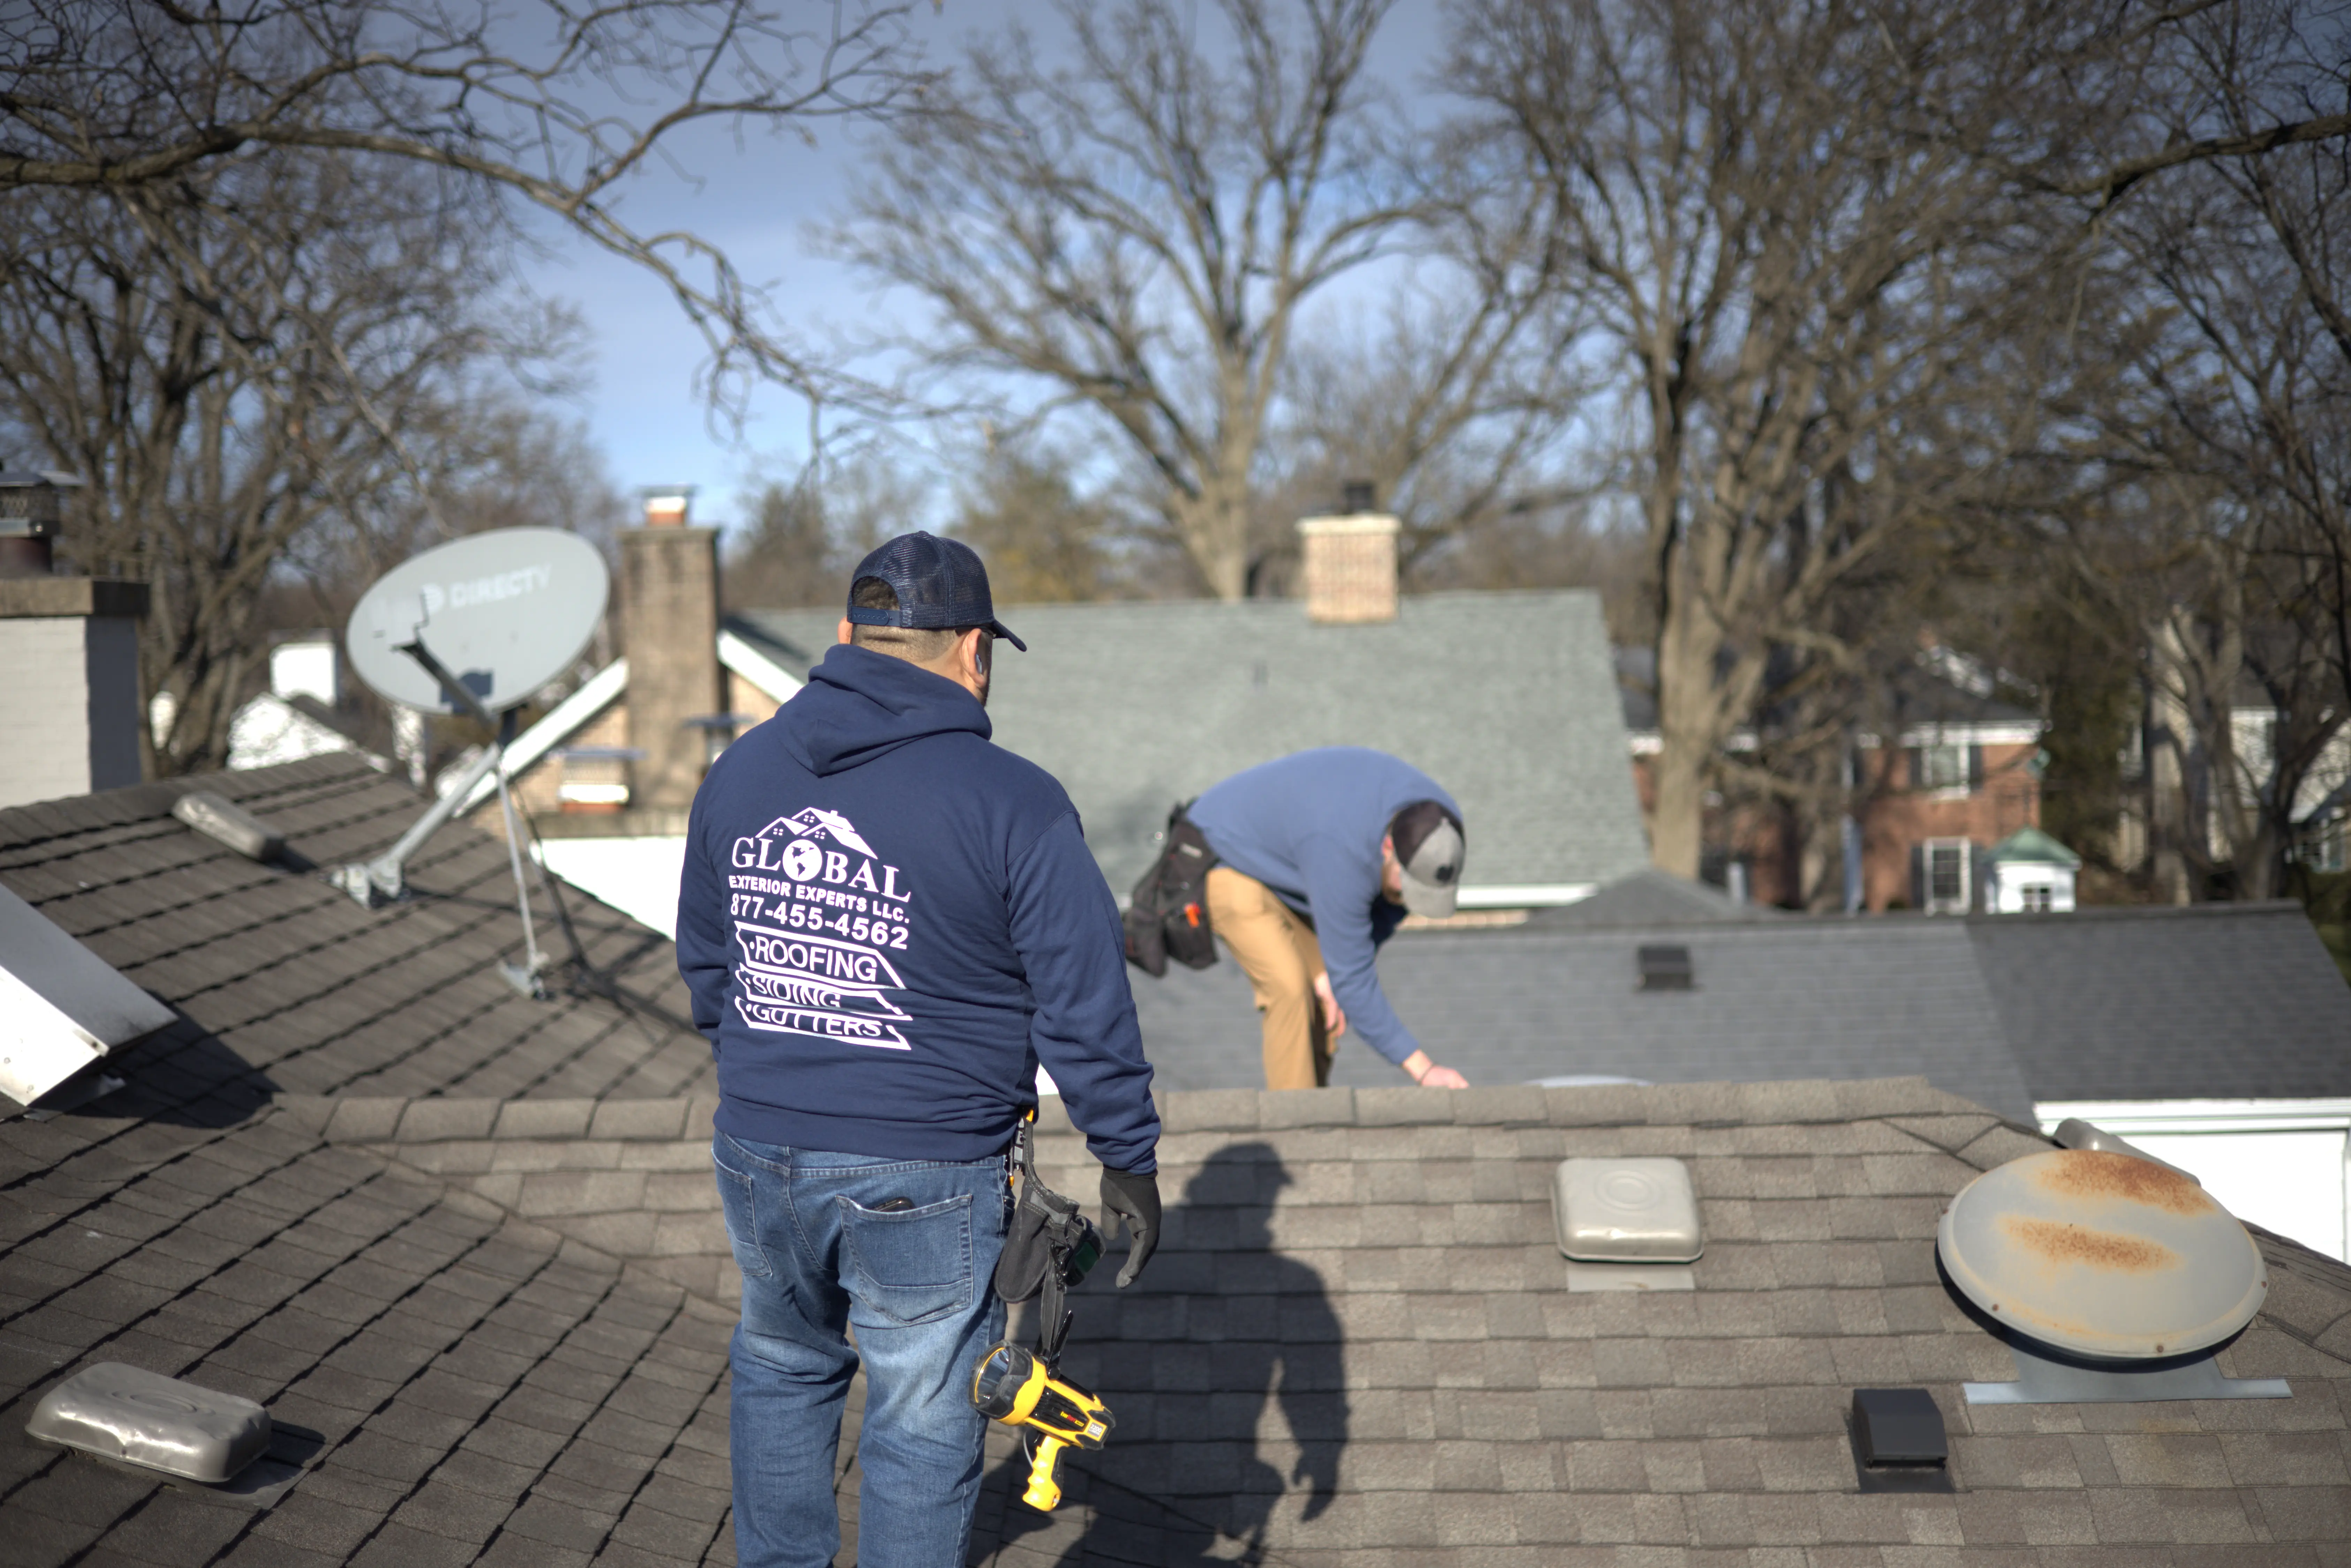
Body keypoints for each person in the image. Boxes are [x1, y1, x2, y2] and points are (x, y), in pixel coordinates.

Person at [676, 531, 1162, 1568]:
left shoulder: (740, 769)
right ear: (974, 649)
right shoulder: (1013, 798)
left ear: (847, 636)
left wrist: (774, 1075)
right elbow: (1084, 1003)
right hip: (926, 1166)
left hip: (759, 1150)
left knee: (781, 1361)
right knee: (923, 1407)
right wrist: (1129, 1154)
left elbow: (709, 965)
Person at [1184, 747, 1470, 1090]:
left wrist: (1330, 975)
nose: (1409, 902)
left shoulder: (1441, 830)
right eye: (1405, 889)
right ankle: (1297, 1132)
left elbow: (1381, 915)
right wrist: (1424, 1070)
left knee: (1326, 1001)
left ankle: (1317, 1110)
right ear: (1388, 849)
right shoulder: (1341, 850)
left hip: (1292, 874)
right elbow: (1353, 979)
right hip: (1221, 855)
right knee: (1289, 986)